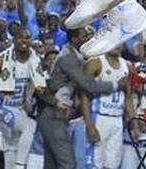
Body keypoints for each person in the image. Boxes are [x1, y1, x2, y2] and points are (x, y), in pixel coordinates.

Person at [34, 28, 125, 169]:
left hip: (55, 114)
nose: (89, 39)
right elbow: (87, 85)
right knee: (68, 164)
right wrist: (115, 85)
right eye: (85, 36)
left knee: (51, 164)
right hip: (53, 114)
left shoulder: (77, 56)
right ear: (74, 39)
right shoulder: (68, 57)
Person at [0, 30, 43, 169]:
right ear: (14, 39)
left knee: (12, 146)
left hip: (19, 109)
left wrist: (28, 97)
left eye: (27, 38)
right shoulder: (0, 59)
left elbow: (36, 81)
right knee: (30, 126)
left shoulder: (34, 59)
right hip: (1, 108)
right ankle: (20, 166)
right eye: (20, 37)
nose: (24, 41)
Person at [81, 47, 128, 169]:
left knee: (113, 164)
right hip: (99, 118)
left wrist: (135, 125)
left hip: (118, 119)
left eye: (120, 42)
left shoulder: (127, 65)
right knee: (94, 164)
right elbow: (84, 93)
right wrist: (89, 124)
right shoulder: (96, 62)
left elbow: (129, 97)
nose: (117, 45)